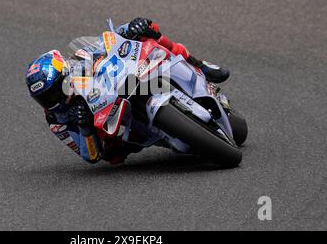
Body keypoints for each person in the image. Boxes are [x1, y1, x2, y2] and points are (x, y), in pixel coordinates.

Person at [25, 18, 230, 164]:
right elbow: (90, 156)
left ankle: (200, 64)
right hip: (121, 130)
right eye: (44, 98)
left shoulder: (79, 60)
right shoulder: (56, 121)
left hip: (124, 82)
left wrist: (129, 28)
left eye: (53, 92)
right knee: (117, 155)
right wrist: (85, 128)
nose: (51, 100)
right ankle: (172, 134)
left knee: (147, 33)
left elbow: (106, 41)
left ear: (65, 74)